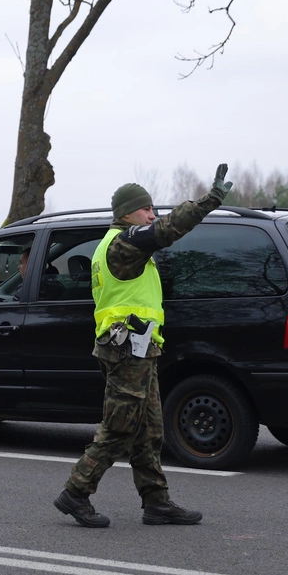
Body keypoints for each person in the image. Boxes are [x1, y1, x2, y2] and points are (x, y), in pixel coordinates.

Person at [53, 164, 233, 528]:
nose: (153, 214)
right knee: (119, 426)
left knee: (149, 430)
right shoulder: (124, 243)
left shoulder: (122, 246)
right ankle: (76, 492)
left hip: (137, 348)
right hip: (126, 350)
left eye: (152, 209)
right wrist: (208, 201)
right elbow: (168, 229)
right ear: (126, 213)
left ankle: (157, 502)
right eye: (146, 209)